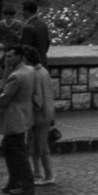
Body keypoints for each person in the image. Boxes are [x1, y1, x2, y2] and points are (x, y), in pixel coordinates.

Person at [0, 46, 37, 195]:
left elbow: (5, 97)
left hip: (15, 118)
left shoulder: (17, 76)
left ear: (20, 56)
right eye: (6, 57)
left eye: (10, 57)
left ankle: (26, 185)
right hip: (23, 115)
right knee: (10, 148)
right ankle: (15, 181)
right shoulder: (29, 71)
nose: (7, 60)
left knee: (17, 152)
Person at [29, 47, 57, 186]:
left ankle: (48, 175)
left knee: (40, 146)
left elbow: (37, 100)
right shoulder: (43, 71)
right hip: (48, 113)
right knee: (38, 145)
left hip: (39, 116)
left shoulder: (33, 74)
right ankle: (38, 172)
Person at [19, 0, 51, 67]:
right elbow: (47, 42)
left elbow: (26, 48)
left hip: (32, 65)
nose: (21, 12)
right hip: (43, 62)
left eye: (22, 10)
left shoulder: (28, 27)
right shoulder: (43, 24)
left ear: (27, 11)